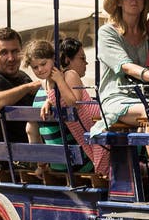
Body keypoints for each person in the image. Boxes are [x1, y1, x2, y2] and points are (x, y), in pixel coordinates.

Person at [27, 37, 109, 178]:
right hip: (82, 130)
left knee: (104, 158)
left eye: (43, 64)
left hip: (93, 124)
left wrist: (59, 81)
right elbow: (61, 99)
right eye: (35, 67)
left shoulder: (69, 74)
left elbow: (73, 103)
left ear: (54, 59)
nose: (40, 69)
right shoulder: (47, 83)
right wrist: (48, 101)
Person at [97, 0, 149, 128]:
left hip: (145, 95)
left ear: (144, 2)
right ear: (119, 2)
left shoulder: (148, 34)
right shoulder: (107, 32)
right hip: (116, 96)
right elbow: (126, 66)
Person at [0, 26, 39, 145]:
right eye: (4, 52)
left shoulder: (22, 76)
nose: (11, 58)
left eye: (15, 51)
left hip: (35, 156)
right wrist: (27, 88)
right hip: (13, 160)